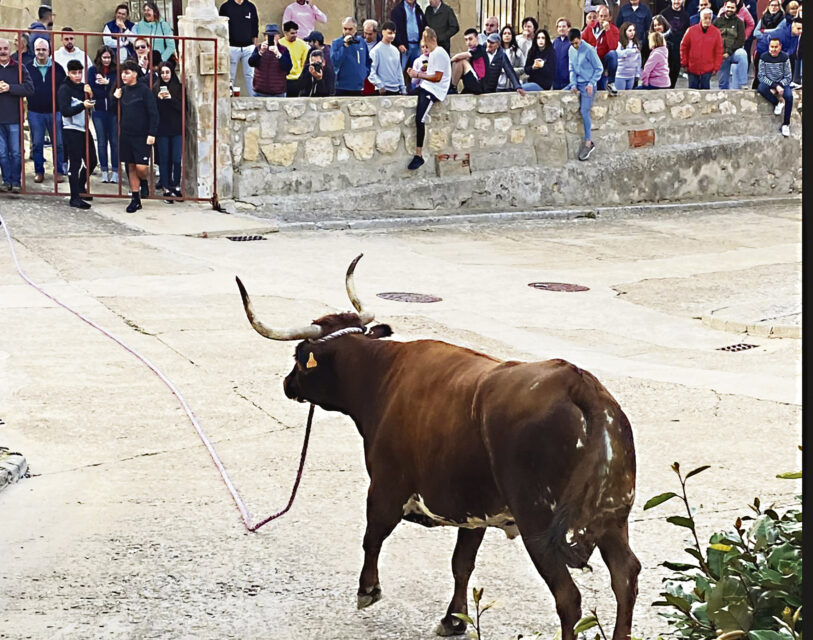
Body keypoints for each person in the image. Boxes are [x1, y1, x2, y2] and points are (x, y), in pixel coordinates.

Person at [112, 59, 159, 212]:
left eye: (127, 73)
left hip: (142, 136)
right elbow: (113, 111)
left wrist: (152, 133)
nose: (123, 76)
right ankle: (135, 198)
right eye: (122, 73)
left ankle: (143, 181)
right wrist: (115, 98)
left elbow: (153, 114)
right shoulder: (122, 91)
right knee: (130, 166)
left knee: (141, 168)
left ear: (135, 74)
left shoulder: (144, 91)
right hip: (126, 134)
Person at [406, 27, 450, 170]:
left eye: (427, 45)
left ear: (433, 41)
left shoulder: (438, 53)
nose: (426, 49)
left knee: (420, 118)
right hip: (426, 86)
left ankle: (419, 154)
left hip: (434, 90)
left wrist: (417, 75)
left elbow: (437, 77)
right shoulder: (434, 53)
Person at [26, 38, 67, 184]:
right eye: (38, 50)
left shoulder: (58, 68)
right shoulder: (27, 68)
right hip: (35, 112)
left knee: (59, 143)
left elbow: (64, 88)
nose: (41, 52)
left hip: (54, 111)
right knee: (37, 143)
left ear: (49, 51)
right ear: (34, 51)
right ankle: (39, 171)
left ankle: (59, 171)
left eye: (44, 50)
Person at [57, 59, 96, 208]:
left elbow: (91, 103)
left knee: (92, 161)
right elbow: (65, 111)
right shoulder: (64, 89)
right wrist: (82, 105)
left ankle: (80, 185)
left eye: (80, 73)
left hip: (84, 128)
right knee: (75, 164)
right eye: (74, 73)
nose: (78, 76)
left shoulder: (82, 87)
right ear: (69, 73)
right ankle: (74, 198)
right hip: (71, 129)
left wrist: (90, 95)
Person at [0, 38, 34, 193]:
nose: (3, 51)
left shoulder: (19, 67)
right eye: (0, 48)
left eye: (5, 48)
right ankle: (6, 181)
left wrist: (10, 88)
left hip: (14, 117)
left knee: (15, 152)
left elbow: (29, 88)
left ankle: (16, 181)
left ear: (10, 49)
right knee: (2, 153)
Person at [564, 28, 602, 161]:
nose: (575, 46)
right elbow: (571, 68)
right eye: (572, 44)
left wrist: (591, 83)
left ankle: (588, 142)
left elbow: (599, 68)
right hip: (577, 82)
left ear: (580, 38)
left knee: (584, 111)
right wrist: (573, 83)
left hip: (588, 84)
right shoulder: (571, 50)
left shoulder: (589, 49)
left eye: (576, 43)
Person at [451, 31, 526, 94]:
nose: (489, 44)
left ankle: (452, 88)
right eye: (488, 41)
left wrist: (518, 87)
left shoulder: (502, 56)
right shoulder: (481, 49)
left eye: (492, 43)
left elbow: (510, 71)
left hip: (489, 88)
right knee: (462, 61)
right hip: (476, 83)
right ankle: (452, 88)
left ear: (497, 44)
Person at [87, 46, 119, 184]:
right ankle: (104, 170)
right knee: (101, 141)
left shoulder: (116, 71)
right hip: (98, 110)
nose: (106, 60)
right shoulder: (92, 71)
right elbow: (91, 90)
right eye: (104, 57)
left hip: (113, 110)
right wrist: (104, 89)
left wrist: (108, 83)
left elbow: (119, 87)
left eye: (109, 57)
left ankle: (116, 170)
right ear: (99, 58)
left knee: (114, 141)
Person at [153, 63, 182, 202]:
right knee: (164, 159)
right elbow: (152, 110)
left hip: (176, 128)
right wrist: (158, 99)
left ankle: (176, 184)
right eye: (162, 72)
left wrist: (171, 99)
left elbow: (183, 108)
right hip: (162, 129)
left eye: (167, 72)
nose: (165, 75)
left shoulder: (178, 88)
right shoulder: (155, 88)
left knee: (176, 159)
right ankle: (166, 187)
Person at [220, 0, 259, 98]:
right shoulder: (225, 7)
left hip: (248, 47)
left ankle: (254, 99)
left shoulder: (250, 6)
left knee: (251, 76)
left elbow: (255, 27)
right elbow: (221, 29)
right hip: (232, 47)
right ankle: (228, 99)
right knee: (230, 76)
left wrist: (254, 47)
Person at [756, 37, 794, 136]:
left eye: (776, 47)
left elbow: (788, 76)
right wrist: (774, 85)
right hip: (770, 83)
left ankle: (786, 124)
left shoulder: (785, 57)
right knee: (761, 88)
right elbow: (761, 76)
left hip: (782, 83)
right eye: (771, 47)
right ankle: (777, 102)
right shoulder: (763, 57)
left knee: (789, 97)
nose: (773, 49)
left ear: (780, 47)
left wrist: (780, 85)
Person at [680, 8, 723, 88]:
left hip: (708, 69)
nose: (707, 20)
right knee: (692, 92)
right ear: (701, 18)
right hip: (692, 67)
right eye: (705, 18)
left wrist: (716, 67)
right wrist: (684, 63)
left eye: (709, 18)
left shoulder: (716, 32)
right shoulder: (691, 30)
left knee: (705, 92)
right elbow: (684, 47)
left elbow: (719, 51)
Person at [581, 5, 620, 93]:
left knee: (613, 54)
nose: (603, 19)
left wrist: (608, 31)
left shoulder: (614, 30)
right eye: (601, 16)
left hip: (602, 60)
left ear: (610, 18)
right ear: (598, 17)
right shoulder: (590, 28)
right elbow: (582, 42)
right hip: (591, 60)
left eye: (605, 16)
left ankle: (611, 83)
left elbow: (613, 47)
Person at [248, 24, 292, 97]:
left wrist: (278, 54)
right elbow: (251, 63)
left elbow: (288, 67)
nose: (272, 38)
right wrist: (260, 52)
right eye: (269, 35)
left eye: (274, 35)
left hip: (278, 93)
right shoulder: (259, 48)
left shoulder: (284, 50)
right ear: (265, 37)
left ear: (278, 36)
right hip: (260, 92)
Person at [713, 0, 748, 89]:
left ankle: (743, 83)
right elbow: (712, 38)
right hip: (721, 55)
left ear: (736, 9)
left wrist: (729, 52)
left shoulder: (739, 22)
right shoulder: (717, 21)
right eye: (728, 7)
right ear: (725, 7)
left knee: (742, 54)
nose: (730, 9)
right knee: (723, 85)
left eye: (732, 8)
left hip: (734, 52)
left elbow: (741, 40)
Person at [368, 21, 407, 95]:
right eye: (389, 33)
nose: (392, 36)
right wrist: (380, 85)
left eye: (394, 33)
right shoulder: (376, 50)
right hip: (383, 90)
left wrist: (403, 88)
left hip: (396, 89)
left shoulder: (395, 50)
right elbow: (371, 72)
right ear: (383, 32)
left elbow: (398, 71)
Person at [331, 17, 367, 96]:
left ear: (355, 29)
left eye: (350, 29)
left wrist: (364, 73)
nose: (347, 31)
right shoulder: (337, 43)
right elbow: (334, 61)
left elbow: (367, 60)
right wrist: (345, 46)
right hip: (341, 86)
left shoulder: (361, 42)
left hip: (358, 86)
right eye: (345, 29)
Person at [391, 0, 426, 72]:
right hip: (404, 46)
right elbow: (395, 29)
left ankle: (414, 84)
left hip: (417, 46)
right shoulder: (398, 10)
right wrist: (399, 43)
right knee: (400, 71)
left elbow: (423, 26)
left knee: (417, 71)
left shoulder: (418, 10)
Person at [279, 21, 310, 97]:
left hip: (297, 79)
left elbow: (305, 62)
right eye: (292, 33)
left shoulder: (302, 44)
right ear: (285, 33)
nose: (295, 35)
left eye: (296, 33)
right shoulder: (279, 44)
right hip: (283, 79)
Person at [615, 22, 642, 88]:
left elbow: (639, 60)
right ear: (624, 32)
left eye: (633, 30)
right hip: (621, 75)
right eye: (630, 30)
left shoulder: (636, 43)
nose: (632, 32)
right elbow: (618, 54)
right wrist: (631, 51)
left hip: (631, 75)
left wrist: (637, 74)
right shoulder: (620, 43)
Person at [360, 20, 380, 95]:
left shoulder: (380, 44)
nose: (367, 36)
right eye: (365, 33)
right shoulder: (359, 42)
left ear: (375, 33)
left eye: (370, 34)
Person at [553, 17, 572, 88]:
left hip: (567, 81)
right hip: (555, 81)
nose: (561, 28)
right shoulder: (555, 42)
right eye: (559, 27)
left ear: (568, 28)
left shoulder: (572, 42)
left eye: (564, 26)